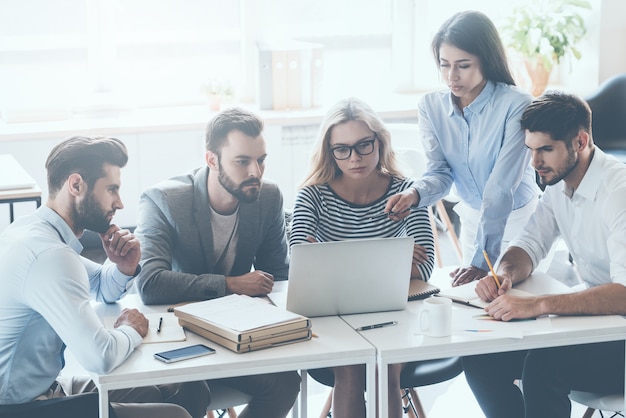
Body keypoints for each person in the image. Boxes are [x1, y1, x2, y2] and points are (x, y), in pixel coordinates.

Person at [0, 136, 210, 418]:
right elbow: (100, 357)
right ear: (76, 185)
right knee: (176, 415)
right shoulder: (49, 255)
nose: (120, 203)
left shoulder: (34, 232)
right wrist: (132, 329)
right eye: (111, 189)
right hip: (21, 408)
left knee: (169, 391)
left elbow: (100, 286)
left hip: (43, 390)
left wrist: (123, 267)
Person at [462, 91, 626, 418]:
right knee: (481, 355)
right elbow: (529, 245)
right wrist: (504, 275)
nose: (535, 163)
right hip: (601, 325)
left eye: (546, 150)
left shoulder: (618, 192)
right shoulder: (557, 183)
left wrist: (537, 304)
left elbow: (624, 295)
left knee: (544, 365)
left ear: (580, 141)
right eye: (531, 150)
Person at [134, 107, 300, 418]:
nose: (255, 172)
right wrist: (231, 285)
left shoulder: (268, 197)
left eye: (261, 160)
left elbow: (278, 275)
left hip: (238, 332)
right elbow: (149, 282)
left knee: (286, 381)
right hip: (182, 335)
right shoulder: (164, 200)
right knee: (192, 392)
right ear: (212, 159)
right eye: (242, 161)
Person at [289, 97, 436, 418]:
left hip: (395, 313)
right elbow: (299, 261)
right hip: (333, 315)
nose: (354, 158)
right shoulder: (312, 196)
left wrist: (331, 262)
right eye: (341, 149)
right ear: (330, 152)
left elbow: (424, 267)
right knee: (351, 367)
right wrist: (394, 260)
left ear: (380, 143)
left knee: (385, 365)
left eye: (363, 146)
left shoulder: (406, 192)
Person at [385, 10, 539, 286]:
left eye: (463, 65)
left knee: (516, 302)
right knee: (477, 304)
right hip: (473, 216)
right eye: (445, 65)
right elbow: (440, 171)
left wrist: (482, 260)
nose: (451, 76)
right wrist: (415, 194)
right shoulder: (431, 107)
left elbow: (501, 187)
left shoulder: (517, 105)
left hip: (519, 220)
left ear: (486, 59)